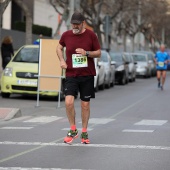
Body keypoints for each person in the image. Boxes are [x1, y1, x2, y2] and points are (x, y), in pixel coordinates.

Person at [56, 11, 101, 144]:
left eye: (77, 24)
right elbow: (58, 48)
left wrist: (86, 53)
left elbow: (98, 53)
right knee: (68, 102)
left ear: (83, 23)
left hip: (87, 74)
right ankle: (73, 129)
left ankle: (85, 132)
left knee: (85, 104)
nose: (74, 27)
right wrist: (62, 60)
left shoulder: (91, 35)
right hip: (71, 74)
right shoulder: (66, 35)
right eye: (73, 24)